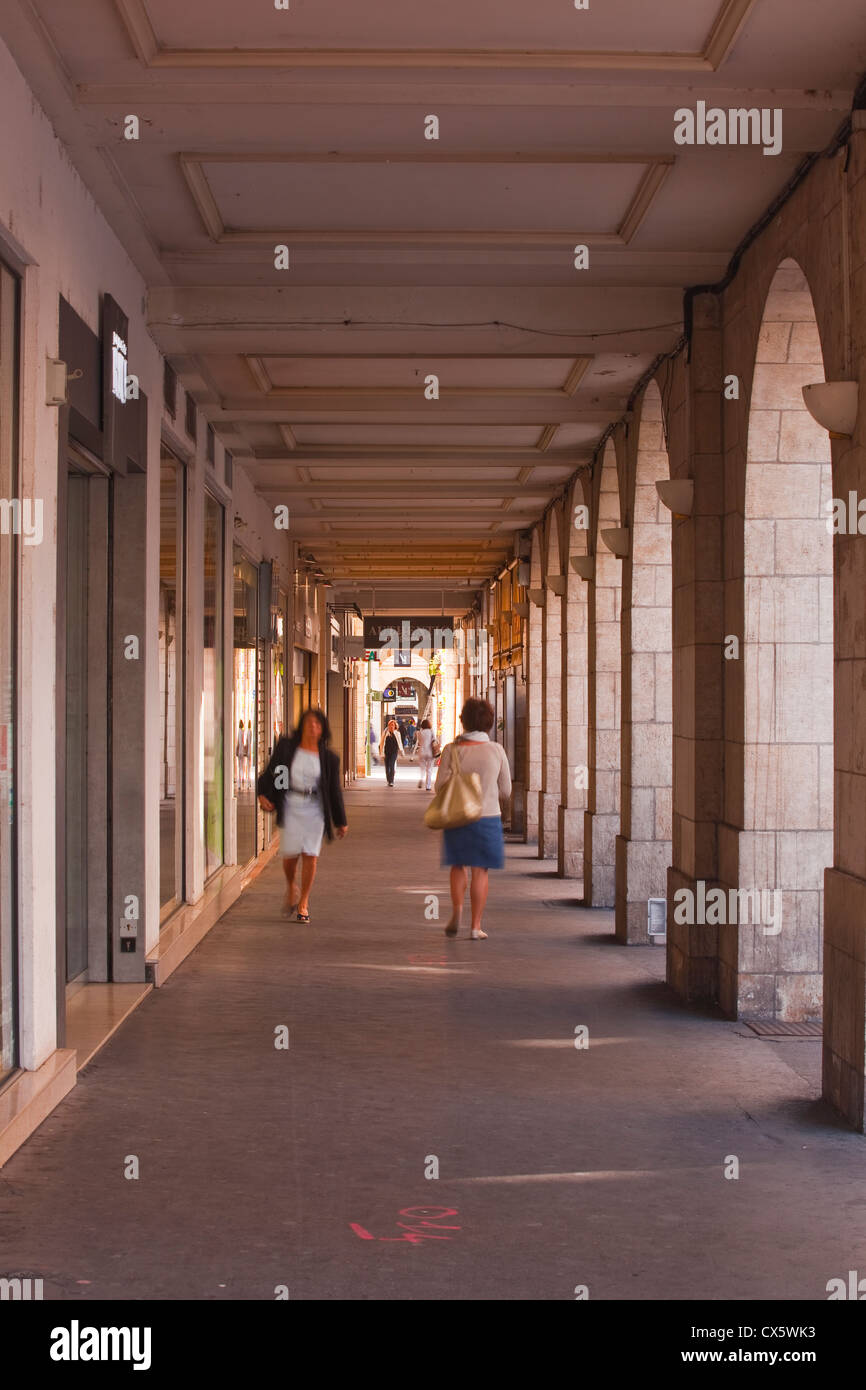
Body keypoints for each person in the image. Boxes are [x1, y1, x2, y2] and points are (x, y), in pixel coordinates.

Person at [257, 708, 348, 923]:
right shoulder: (287, 748)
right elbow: (273, 773)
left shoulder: (329, 758)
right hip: (291, 807)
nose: (312, 727)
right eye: (309, 723)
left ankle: (303, 902)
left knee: (310, 854)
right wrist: (264, 795)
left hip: (315, 811)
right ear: (302, 725)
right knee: (290, 857)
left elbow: (334, 790)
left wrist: (340, 821)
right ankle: (291, 886)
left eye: (317, 724)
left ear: (323, 729)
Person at [435, 697, 511, 940]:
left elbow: (439, 787)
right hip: (487, 816)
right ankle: (476, 926)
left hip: (458, 815)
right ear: (489, 722)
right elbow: (506, 791)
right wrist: (486, 792)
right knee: (481, 870)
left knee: (458, 866)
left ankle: (457, 910)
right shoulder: (496, 751)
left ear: (463, 721)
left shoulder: (451, 750)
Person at [379, 718, 402, 787]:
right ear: (388, 726)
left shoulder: (397, 733)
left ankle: (391, 781)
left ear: (395, 726)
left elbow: (400, 743)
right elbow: (382, 743)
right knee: (387, 767)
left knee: (392, 765)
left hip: (394, 752)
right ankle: (388, 779)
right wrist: (381, 752)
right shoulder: (386, 733)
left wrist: (402, 752)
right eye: (390, 725)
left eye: (393, 725)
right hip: (386, 752)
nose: (391, 726)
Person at [416, 718, 436, 791]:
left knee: (422, 768)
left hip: (422, 752)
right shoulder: (431, 731)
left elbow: (419, 742)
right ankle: (428, 786)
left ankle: (421, 778)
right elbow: (434, 740)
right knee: (429, 769)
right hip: (430, 752)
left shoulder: (420, 732)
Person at [236, 720, 250, 791]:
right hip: (242, 751)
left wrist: (237, 750)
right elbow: (243, 742)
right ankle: (243, 781)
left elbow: (239, 743)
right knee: (243, 767)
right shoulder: (243, 732)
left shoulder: (239, 731)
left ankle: (239, 783)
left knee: (240, 767)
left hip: (239, 752)